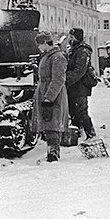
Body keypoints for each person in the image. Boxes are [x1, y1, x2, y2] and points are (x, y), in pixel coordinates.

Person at [31, 31, 70, 162]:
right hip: (46, 93)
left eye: (39, 44)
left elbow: (58, 80)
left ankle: (53, 155)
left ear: (44, 43)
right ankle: (51, 154)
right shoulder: (48, 56)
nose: (38, 48)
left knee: (52, 125)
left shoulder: (57, 57)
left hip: (54, 96)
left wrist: (49, 98)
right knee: (48, 125)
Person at [65, 28, 96, 140]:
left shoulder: (83, 50)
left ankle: (91, 134)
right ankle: (78, 133)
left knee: (81, 111)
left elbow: (80, 70)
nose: (70, 39)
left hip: (80, 86)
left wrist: (67, 80)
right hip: (74, 86)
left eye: (72, 37)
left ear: (76, 37)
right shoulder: (74, 49)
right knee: (74, 111)